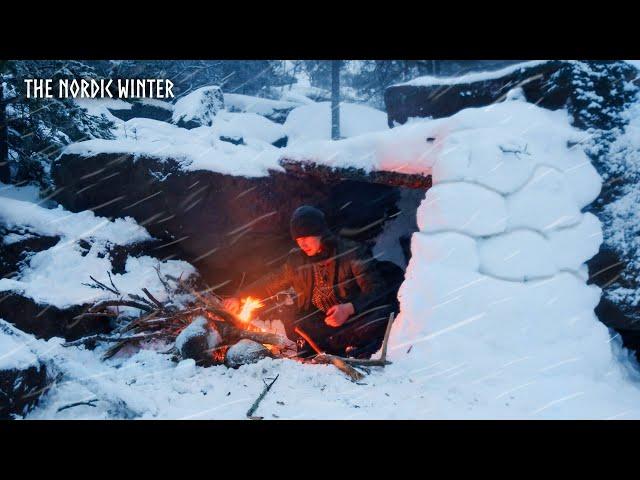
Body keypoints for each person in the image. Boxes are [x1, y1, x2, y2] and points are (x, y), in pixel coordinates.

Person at [223, 205, 399, 358]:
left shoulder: (352, 253)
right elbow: (271, 282)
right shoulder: (298, 261)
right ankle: (332, 345)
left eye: (306, 237)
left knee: (381, 315)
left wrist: (348, 308)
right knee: (298, 321)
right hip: (324, 323)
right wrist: (240, 297)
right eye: (298, 240)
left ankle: (347, 345)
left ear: (320, 233)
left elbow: (377, 290)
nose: (302, 244)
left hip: (355, 319)